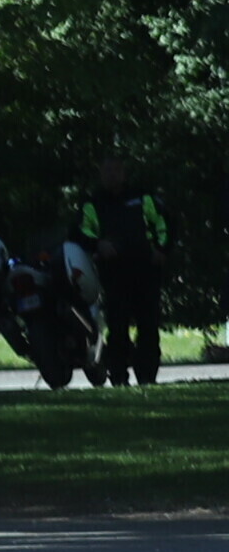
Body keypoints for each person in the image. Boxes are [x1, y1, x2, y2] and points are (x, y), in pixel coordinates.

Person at [78, 154, 167, 386]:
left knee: (148, 326)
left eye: (116, 170)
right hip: (114, 273)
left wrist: (162, 249)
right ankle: (118, 377)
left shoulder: (143, 198)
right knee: (117, 327)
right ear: (101, 174)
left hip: (146, 269)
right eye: (107, 171)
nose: (112, 175)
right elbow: (81, 231)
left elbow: (164, 223)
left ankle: (147, 377)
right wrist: (97, 245)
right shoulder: (93, 203)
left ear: (124, 173)